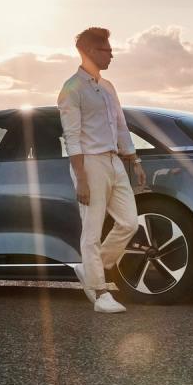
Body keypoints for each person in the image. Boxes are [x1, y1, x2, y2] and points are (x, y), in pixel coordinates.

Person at [58, 27, 147, 313]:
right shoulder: (72, 89)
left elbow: (121, 126)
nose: (112, 54)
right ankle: (99, 293)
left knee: (129, 223)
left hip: (114, 161)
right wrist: (81, 178)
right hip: (90, 164)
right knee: (92, 231)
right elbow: (72, 137)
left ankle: (92, 268)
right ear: (90, 52)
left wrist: (135, 161)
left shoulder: (108, 87)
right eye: (107, 50)